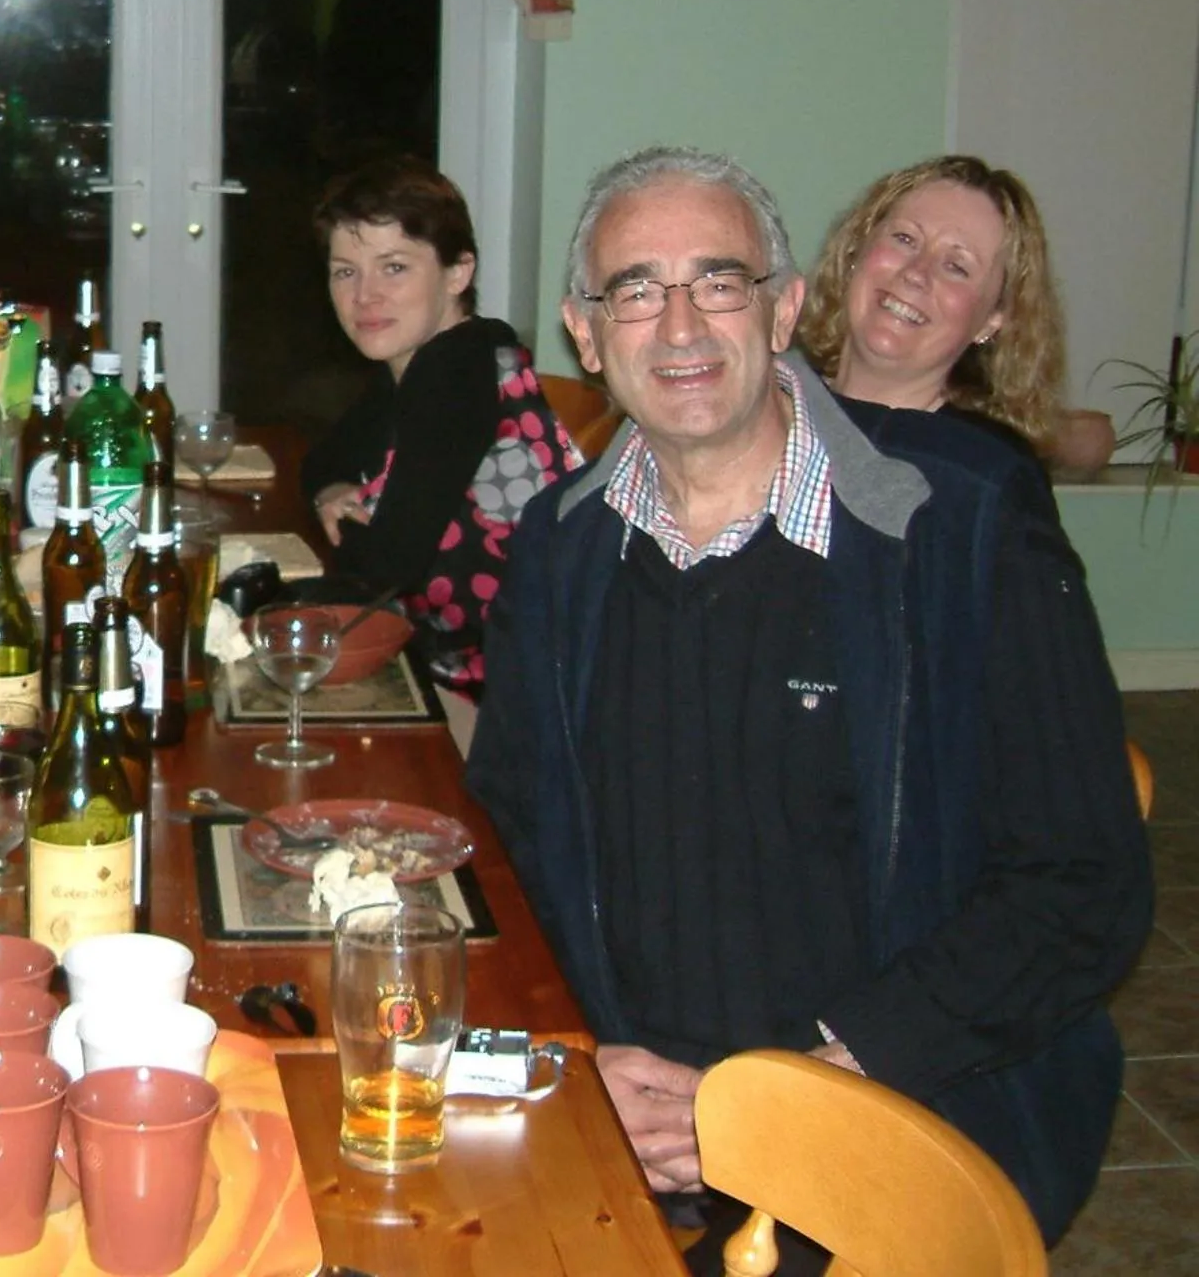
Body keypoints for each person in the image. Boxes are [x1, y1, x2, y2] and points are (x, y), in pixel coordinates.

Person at [465, 146, 1150, 1264]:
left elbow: (1081, 881)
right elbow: (512, 838)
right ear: (582, 336)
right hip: (628, 1108)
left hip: (888, 1106)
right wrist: (575, 1048)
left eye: (717, 281)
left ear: (782, 308)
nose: (678, 327)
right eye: (634, 289)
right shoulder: (559, 550)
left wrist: (804, 1091)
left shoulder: (961, 531)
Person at [299, 158, 579, 700]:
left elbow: (386, 568)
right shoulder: (423, 361)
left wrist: (341, 531)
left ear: (458, 272)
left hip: (513, 703)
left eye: (394, 267)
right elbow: (323, 460)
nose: (365, 295)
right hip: (461, 670)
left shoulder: (454, 374)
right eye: (345, 271)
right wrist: (333, 492)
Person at [798, 154, 1066, 462]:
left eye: (956, 266)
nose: (916, 273)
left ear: (993, 319)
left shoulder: (989, 478)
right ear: (855, 250)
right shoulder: (762, 406)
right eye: (905, 238)